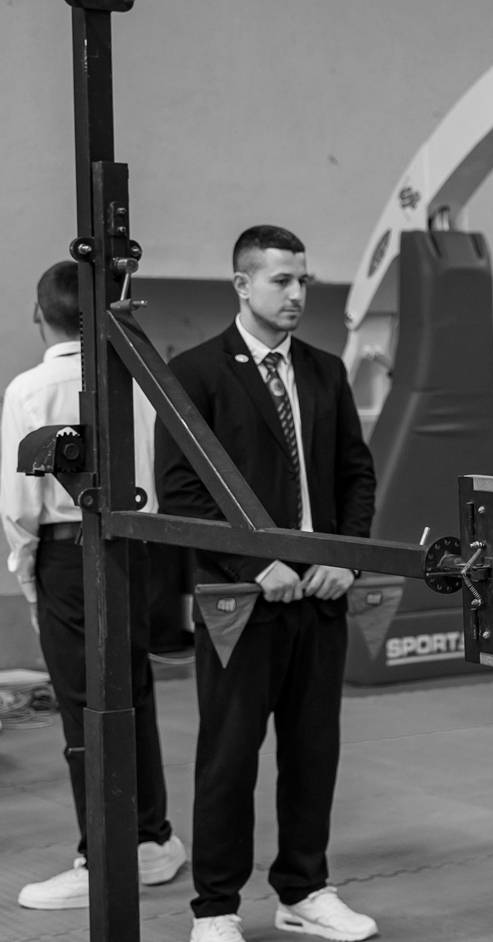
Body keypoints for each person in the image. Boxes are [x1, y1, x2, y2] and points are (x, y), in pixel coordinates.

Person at [157, 226, 378, 942]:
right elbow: (183, 493)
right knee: (229, 756)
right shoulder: (194, 373)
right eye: (281, 280)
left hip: (321, 594)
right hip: (240, 599)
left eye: (303, 280)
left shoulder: (324, 370)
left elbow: (356, 475)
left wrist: (346, 557)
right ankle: (216, 908)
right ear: (242, 284)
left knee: (313, 752)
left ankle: (304, 889)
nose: (296, 294)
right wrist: (257, 565)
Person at [1, 261, 186, 910]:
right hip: (139, 548)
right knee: (133, 694)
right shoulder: (137, 378)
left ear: (38, 313)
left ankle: (101, 856)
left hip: (68, 556)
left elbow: (19, 507)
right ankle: (152, 840)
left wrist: (29, 580)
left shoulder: (30, 389)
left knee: (84, 708)